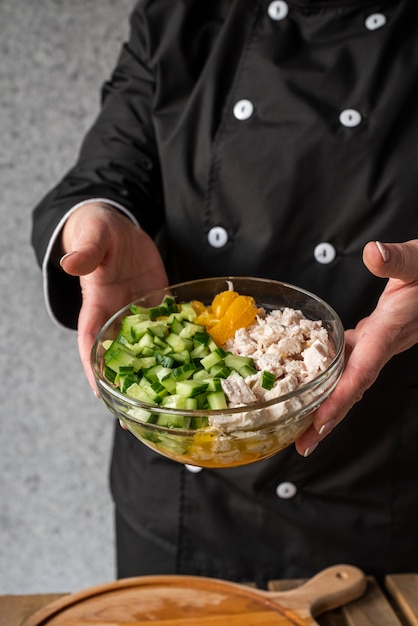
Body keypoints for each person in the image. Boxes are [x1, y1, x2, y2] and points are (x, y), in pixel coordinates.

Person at [32, 0, 418, 586]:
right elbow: (104, 172)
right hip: (182, 499)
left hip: (372, 489)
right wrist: (98, 219)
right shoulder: (178, 15)